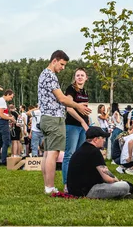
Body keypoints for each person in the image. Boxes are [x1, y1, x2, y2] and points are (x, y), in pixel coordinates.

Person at [37, 50, 91, 194]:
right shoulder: (50, 75)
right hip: (54, 118)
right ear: (54, 60)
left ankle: (48, 185)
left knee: (47, 153)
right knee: (53, 153)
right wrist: (78, 105)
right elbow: (62, 98)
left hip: (46, 118)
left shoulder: (44, 74)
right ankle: (50, 187)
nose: (63, 68)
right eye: (62, 64)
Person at [67, 126, 133, 200]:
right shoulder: (94, 151)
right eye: (102, 138)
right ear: (95, 139)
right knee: (124, 186)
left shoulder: (82, 149)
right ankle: (127, 194)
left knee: (121, 184)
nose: (104, 140)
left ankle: (126, 194)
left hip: (74, 190)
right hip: (86, 191)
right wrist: (118, 181)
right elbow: (107, 177)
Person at [63, 67, 90, 190]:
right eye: (77, 75)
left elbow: (84, 110)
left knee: (80, 155)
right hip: (72, 125)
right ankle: (67, 184)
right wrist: (81, 121)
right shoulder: (71, 89)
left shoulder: (85, 92)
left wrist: (87, 122)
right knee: (69, 154)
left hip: (83, 126)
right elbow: (69, 108)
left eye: (82, 75)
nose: (79, 77)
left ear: (86, 78)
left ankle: (78, 182)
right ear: (75, 77)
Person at [0, 90, 17, 166]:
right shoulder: (3, 101)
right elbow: (1, 114)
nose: (11, 99)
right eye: (11, 97)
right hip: (2, 122)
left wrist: (8, 116)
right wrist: (10, 118)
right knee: (6, 142)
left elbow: (1, 113)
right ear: (7, 94)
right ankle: (4, 160)